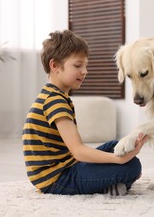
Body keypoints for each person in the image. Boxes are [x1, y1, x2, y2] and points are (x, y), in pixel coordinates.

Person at [22, 30, 147, 196]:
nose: (85, 71)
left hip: (65, 166)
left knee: (114, 146)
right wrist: (120, 161)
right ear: (55, 66)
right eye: (77, 65)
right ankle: (111, 184)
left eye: (85, 65)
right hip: (56, 179)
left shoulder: (52, 95)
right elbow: (78, 151)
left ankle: (112, 182)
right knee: (132, 166)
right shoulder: (55, 101)